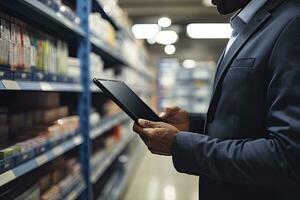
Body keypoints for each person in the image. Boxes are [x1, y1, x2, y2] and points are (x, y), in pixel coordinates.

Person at [133, 0, 300, 199]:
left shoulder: (292, 24)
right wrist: (193, 125)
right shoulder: (247, 26)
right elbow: (250, 119)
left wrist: (181, 145)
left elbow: (288, 156)